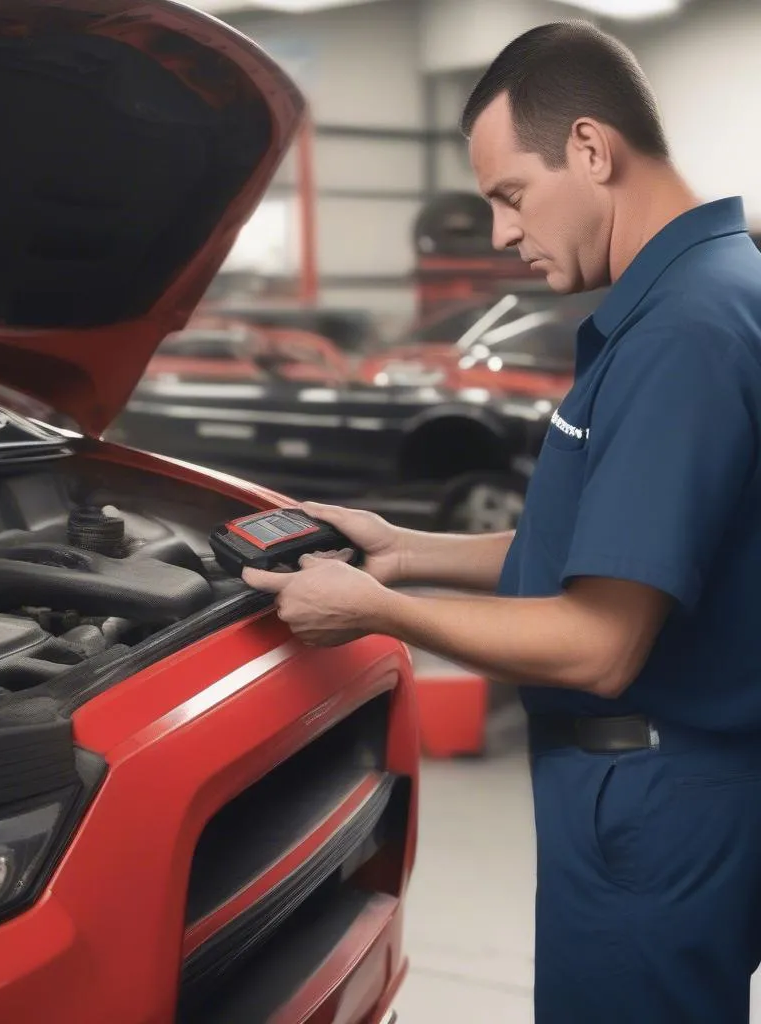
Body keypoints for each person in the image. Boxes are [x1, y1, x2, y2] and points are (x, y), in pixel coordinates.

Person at [241, 21, 761, 1024]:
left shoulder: (684, 332)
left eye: (507, 194)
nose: (497, 234)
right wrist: (408, 550)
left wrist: (374, 606)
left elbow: (598, 640)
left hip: (650, 805)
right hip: (674, 791)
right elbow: (615, 549)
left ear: (590, 150)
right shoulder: (708, 293)